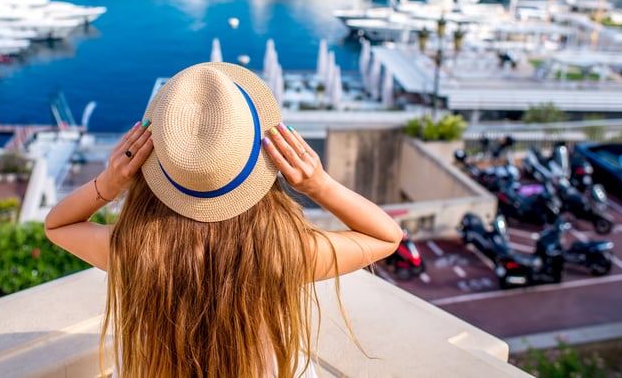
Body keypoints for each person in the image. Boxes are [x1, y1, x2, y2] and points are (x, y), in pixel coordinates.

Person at [45, 62, 402, 378]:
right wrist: (318, 184)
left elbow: (58, 225)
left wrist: (110, 181)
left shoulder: (136, 251)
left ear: (156, 161)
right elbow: (386, 236)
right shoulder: (283, 253)